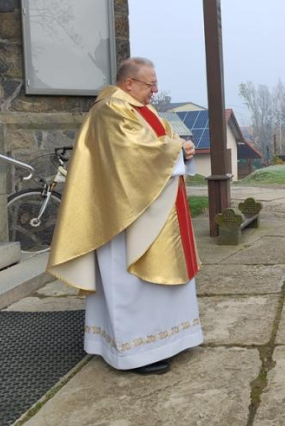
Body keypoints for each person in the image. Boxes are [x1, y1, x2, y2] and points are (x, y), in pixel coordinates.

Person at [47, 57, 202, 375]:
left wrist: (181, 148)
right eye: (150, 84)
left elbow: (159, 142)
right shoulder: (110, 109)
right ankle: (134, 352)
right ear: (129, 82)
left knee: (159, 280)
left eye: (155, 84)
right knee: (128, 281)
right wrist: (174, 150)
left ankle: (168, 338)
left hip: (156, 205)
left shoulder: (145, 110)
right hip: (123, 214)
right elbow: (130, 154)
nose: (155, 90)